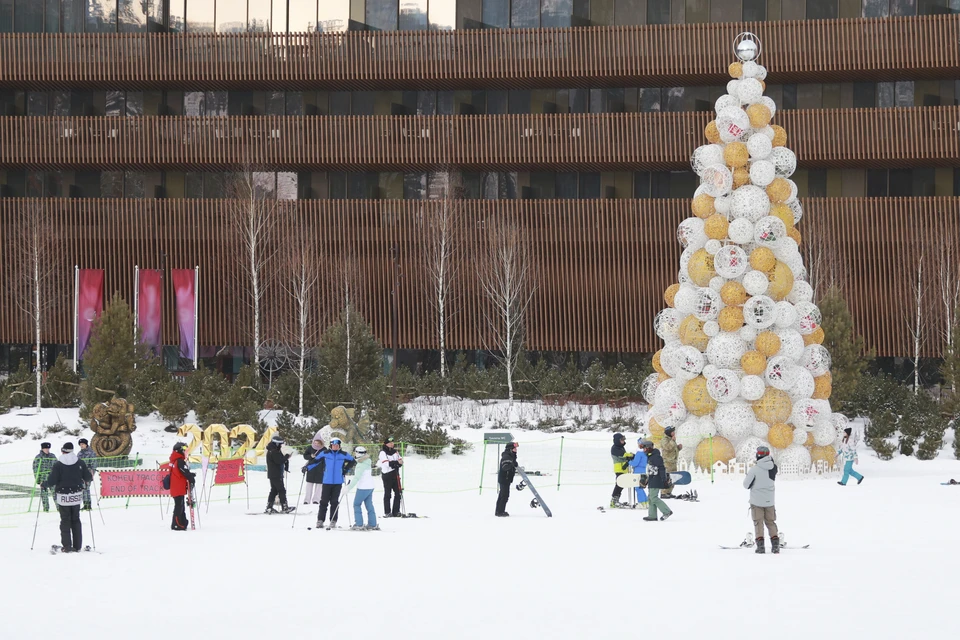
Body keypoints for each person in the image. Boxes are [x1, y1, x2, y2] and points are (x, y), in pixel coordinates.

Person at [41, 442, 93, 552]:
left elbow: (52, 480)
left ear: (62, 451)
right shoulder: (80, 462)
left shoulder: (58, 464)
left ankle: (67, 546)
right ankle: (77, 546)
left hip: (63, 496)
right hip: (76, 495)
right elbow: (88, 477)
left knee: (65, 521)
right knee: (76, 520)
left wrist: (44, 484)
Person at [308, 438, 356, 529]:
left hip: (338, 482)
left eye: (337, 445)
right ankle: (320, 520)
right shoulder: (325, 453)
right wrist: (307, 467)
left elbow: (353, 461)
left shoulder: (343, 454)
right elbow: (315, 461)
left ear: (339, 446)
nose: (335, 447)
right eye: (333, 445)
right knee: (324, 502)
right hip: (327, 481)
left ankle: (333, 520)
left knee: (334, 502)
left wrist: (345, 470)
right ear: (330, 445)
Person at [743, 445, 779, 554]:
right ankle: (775, 546)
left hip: (756, 502)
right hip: (770, 501)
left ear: (758, 455)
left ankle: (761, 547)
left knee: (758, 524)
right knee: (771, 523)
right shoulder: (774, 468)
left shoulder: (754, 470)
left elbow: (746, 485)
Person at [346, 446, 378, 530]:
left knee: (356, 504)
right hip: (370, 486)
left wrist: (348, 488)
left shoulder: (361, 464)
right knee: (369, 504)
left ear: (357, 453)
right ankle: (372, 524)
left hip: (363, 487)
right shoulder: (367, 461)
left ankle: (359, 524)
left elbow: (357, 478)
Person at [641, 439, 673, 522]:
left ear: (649, 448)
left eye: (644, 448)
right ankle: (652, 515)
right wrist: (647, 480)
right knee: (650, 498)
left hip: (656, 479)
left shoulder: (656, 457)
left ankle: (667, 511)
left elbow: (662, 468)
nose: (644, 450)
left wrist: (664, 479)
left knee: (653, 497)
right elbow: (650, 470)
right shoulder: (651, 456)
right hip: (652, 479)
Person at [169, 442, 196, 531]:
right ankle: (177, 523)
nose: (185, 452)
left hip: (176, 486)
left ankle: (180, 522)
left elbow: (179, 472)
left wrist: (189, 474)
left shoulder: (174, 460)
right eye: (184, 450)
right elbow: (184, 471)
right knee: (179, 506)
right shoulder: (179, 460)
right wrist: (190, 477)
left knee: (180, 505)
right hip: (178, 487)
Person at [265, 436, 295, 514]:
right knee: (281, 490)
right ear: (277, 444)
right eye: (280, 444)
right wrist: (287, 456)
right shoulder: (273, 451)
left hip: (273, 474)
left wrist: (285, 458)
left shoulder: (272, 450)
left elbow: (279, 459)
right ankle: (285, 507)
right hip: (276, 474)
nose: (281, 445)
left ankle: (269, 507)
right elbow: (279, 461)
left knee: (274, 490)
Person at [378, 437, 404, 517]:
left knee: (398, 493)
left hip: (395, 474)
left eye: (392, 442)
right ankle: (387, 511)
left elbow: (401, 461)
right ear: (386, 444)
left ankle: (396, 511)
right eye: (390, 443)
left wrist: (396, 463)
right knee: (388, 494)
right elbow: (386, 464)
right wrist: (395, 463)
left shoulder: (395, 452)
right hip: (387, 475)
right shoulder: (383, 453)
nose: (392, 444)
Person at [609, 433, 634, 508]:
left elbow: (625, 455)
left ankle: (616, 500)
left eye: (623, 440)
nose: (623, 441)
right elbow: (622, 455)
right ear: (617, 440)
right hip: (619, 468)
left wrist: (629, 457)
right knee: (619, 484)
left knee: (621, 485)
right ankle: (614, 501)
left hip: (623, 468)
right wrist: (630, 455)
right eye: (622, 440)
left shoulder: (621, 447)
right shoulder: (615, 448)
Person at [301, 432, 326, 505]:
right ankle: (307, 500)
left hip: (320, 469)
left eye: (318, 443)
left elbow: (326, 459)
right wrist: (310, 456)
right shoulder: (310, 448)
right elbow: (305, 456)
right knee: (309, 485)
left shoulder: (324, 449)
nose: (316, 444)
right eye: (315, 443)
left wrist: (325, 468)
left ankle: (316, 499)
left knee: (319, 486)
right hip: (311, 468)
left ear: (321, 443)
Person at [496, 441, 519, 517]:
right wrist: (512, 464)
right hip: (504, 479)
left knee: (502, 495)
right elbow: (505, 466)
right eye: (514, 448)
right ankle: (500, 512)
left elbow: (512, 463)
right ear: (510, 449)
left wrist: (514, 464)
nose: (516, 450)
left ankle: (498, 511)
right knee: (505, 496)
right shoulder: (506, 456)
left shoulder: (511, 456)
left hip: (506, 479)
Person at [33, 442, 57, 512]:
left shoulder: (52, 456)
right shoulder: (38, 457)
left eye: (48, 448)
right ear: (42, 448)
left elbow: (57, 467)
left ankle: (59, 508)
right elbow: (35, 469)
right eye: (45, 448)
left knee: (55, 494)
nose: (47, 450)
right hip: (43, 479)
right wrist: (38, 480)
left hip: (52, 479)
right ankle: (46, 509)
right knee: (44, 495)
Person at [660, 426, 682, 498]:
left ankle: (669, 492)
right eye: (672, 431)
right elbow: (667, 448)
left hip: (673, 461)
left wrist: (678, 448)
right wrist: (672, 441)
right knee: (667, 477)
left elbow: (672, 450)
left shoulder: (671, 439)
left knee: (673, 477)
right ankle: (664, 492)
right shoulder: (664, 439)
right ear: (669, 432)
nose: (674, 433)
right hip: (667, 462)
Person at [628, 437, 649, 509]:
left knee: (638, 488)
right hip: (643, 471)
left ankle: (641, 502)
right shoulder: (645, 453)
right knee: (641, 487)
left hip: (637, 472)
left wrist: (629, 462)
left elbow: (635, 463)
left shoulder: (639, 453)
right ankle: (646, 502)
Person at [76, 438, 97, 510]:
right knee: (83, 489)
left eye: (83, 444)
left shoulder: (91, 453)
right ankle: (85, 504)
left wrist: (91, 474)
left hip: (88, 473)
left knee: (86, 488)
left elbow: (94, 464)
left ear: (86, 444)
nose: (81, 446)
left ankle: (88, 504)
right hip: (80, 474)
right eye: (80, 444)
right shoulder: (79, 453)